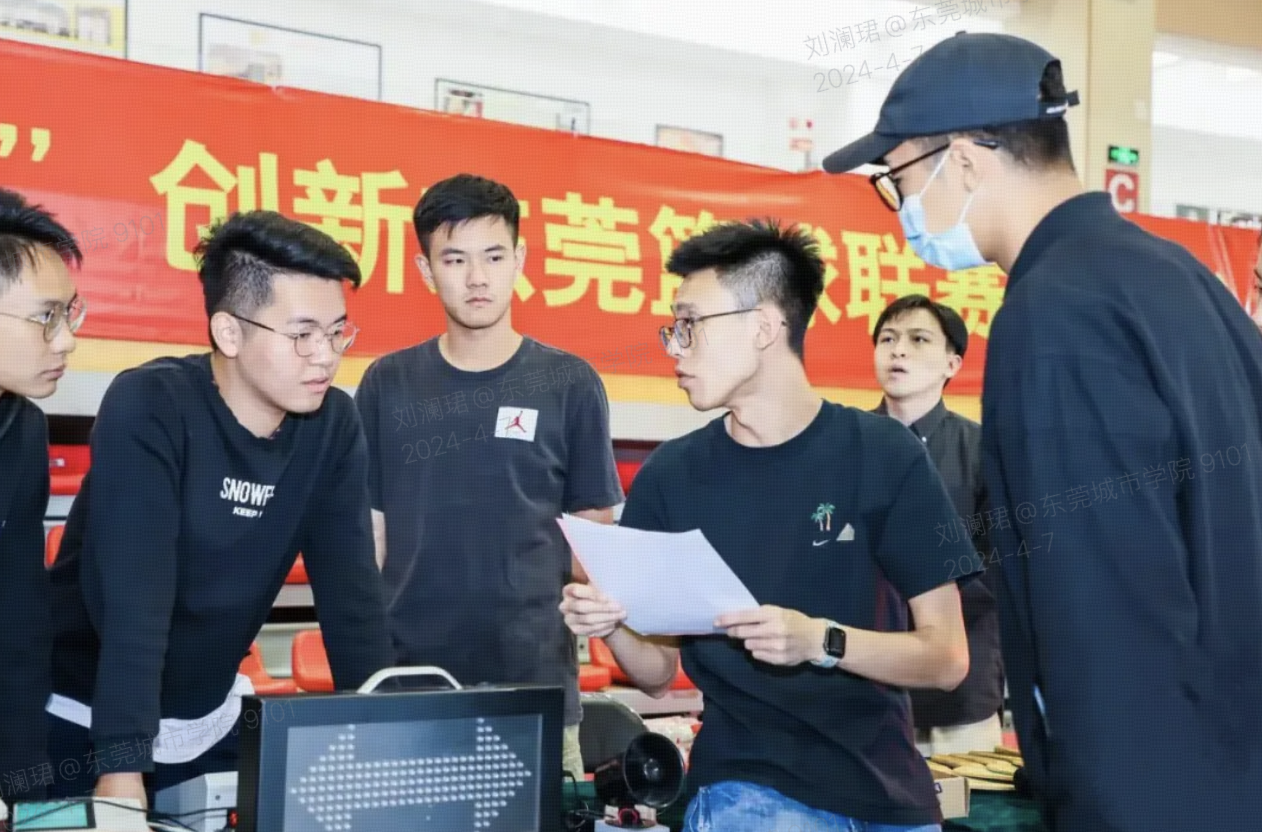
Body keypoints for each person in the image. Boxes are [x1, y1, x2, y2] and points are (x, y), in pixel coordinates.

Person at [823, 30, 1262, 832]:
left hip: (1153, 792)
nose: (902, 208)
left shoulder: (1054, 314)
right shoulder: (1186, 281)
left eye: (898, 179)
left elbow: (1102, 612)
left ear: (963, 161)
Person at [560, 219, 979, 832]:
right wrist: (609, 622)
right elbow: (655, 674)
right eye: (673, 327)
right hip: (748, 787)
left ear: (762, 327)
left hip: (889, 791)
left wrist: (820, 642)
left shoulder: (885, 454)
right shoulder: (671, 477)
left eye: (690, 325)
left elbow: (946, 658)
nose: (675, 347)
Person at [46, 211, 396, 809]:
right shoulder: (151, 405)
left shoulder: (334, 425)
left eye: (338, 332)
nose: (325, 356)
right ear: (229, 333)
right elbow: (135, 602)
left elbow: (353, 602)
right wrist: (122, 770)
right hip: (88, 717)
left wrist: (386, 744)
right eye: (303, 334)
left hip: (207, 716)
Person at [353, 174, 623, 783]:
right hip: (408, 691)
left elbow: (593, 543)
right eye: (455, 259)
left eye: (494, 257)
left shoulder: (570, 384)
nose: (477, 277)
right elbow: (369, 543)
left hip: (534, 692)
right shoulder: (386, 384)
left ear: (520, 260)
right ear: (425, 270)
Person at [871, 295, 1005, 757]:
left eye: (918, 339)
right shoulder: (843, 444)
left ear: (953, 363)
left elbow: (1001, 562)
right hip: (866, 685)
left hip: (960, 695)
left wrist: (920, 595)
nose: (898, 350)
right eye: (887, 339)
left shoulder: (984, 451)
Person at [0, 189, 84, 811]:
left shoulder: (22, 428)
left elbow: (19, 616)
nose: (67, 341)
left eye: (69, 314)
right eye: (47, 317)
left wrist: (23, 782)